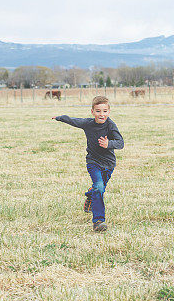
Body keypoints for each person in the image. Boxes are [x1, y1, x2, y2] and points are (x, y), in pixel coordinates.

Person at [52, 96, 124, 231]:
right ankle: (98, 221)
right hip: (93, 161)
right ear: (92, 112)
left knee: (99, 189)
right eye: (98, 111)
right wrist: (60, 118)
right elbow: (74, 121)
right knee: (99, 187)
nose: (101, 114)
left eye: (104, 111)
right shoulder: (88, 124)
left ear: (109, 112)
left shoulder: (111, 126)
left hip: (108, 164)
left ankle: (91, 196)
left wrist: (109, 144)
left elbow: (120, 143)